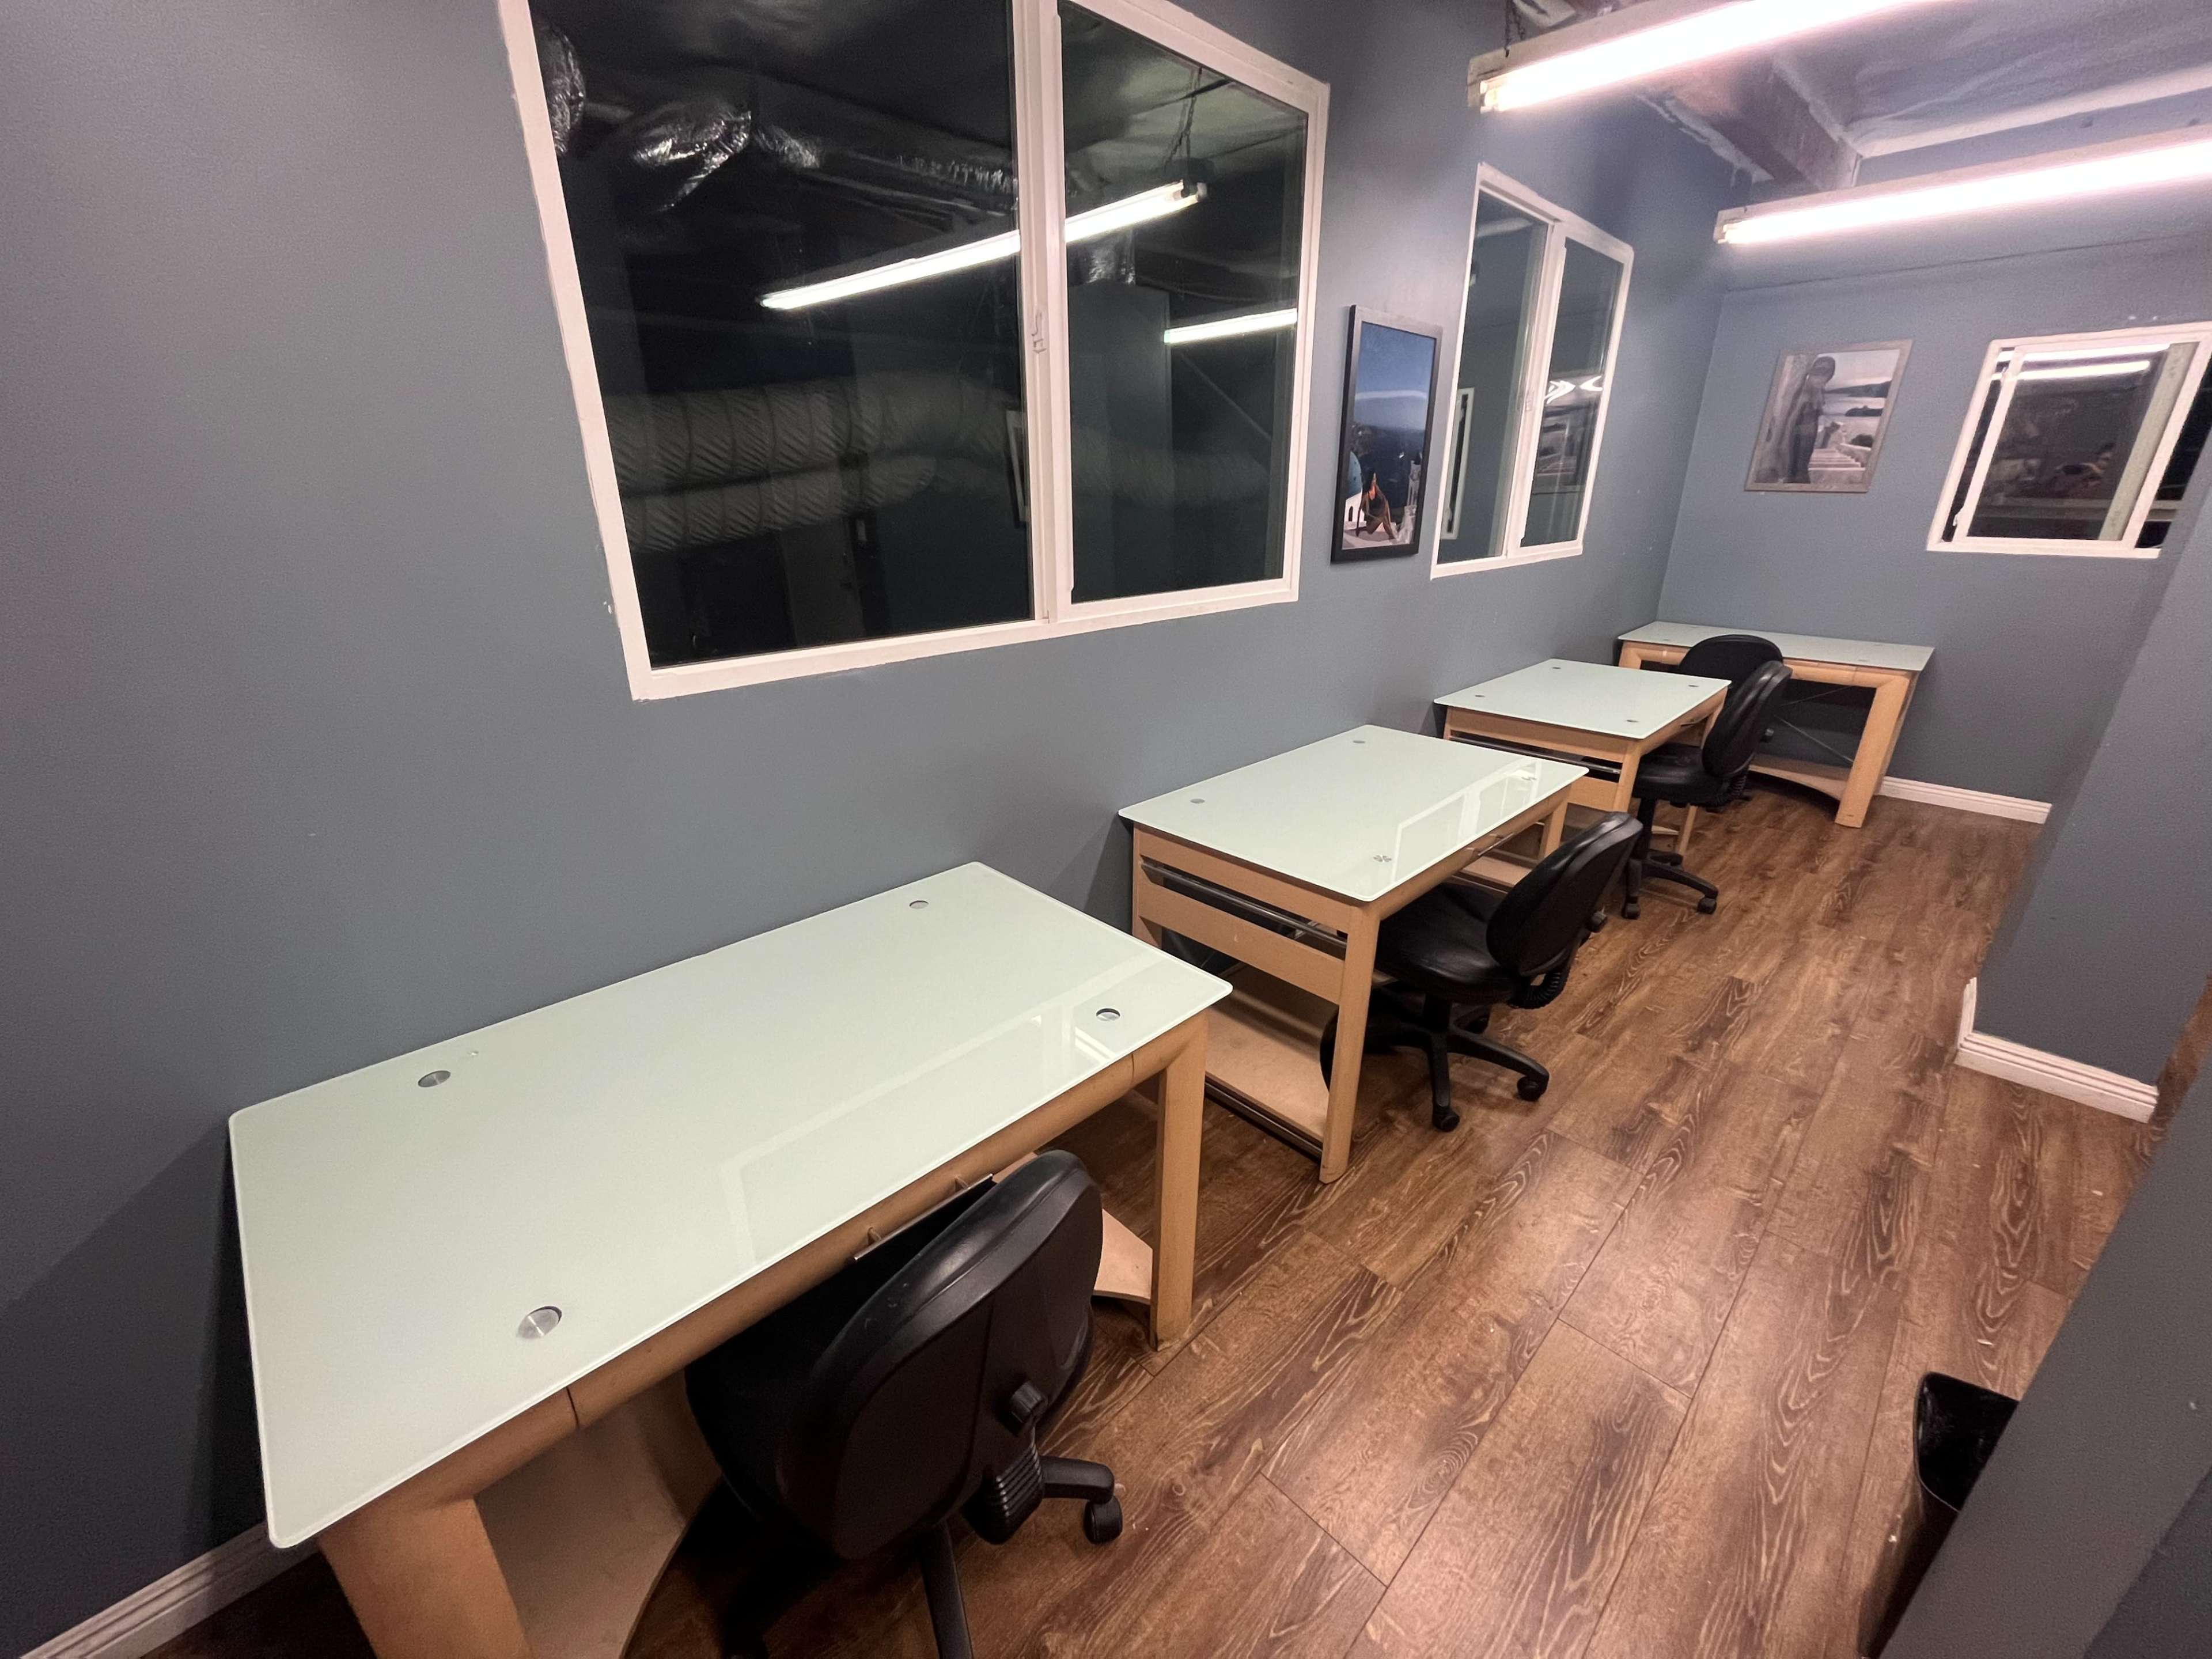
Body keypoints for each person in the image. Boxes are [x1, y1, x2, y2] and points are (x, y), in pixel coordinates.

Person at [1777, 355, 1837, 485]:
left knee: (1802, 465)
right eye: (1818, 373)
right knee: (1797, 466)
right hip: (1799, 432)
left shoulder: (1818, 391)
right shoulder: (1804, 392)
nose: (1821, 378)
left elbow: (1819, 412)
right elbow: (1792, 418)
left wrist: (1826, 426)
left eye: (1826, 374)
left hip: (1810, 431)